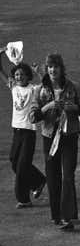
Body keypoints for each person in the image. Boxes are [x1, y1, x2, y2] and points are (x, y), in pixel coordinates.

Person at [31, 54, 80, 230]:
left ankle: (66, 216)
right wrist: (48, 107)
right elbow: (33, 117)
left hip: (69, 135)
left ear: (62, 69)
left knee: (68, 175)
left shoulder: (73, 87)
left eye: (56, 67)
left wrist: (75, 108)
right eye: (50, 67)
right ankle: (56, 214)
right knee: (53, 177)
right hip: (49, 137)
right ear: (47, 70)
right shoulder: (39, 90)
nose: (53, 70)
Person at [0, 55, 46, 209]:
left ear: (28, 76)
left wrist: (39, 72)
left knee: (21, 167)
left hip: (29, 132)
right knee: (14, 162)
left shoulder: (33, 89)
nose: (19, 77)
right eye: (17, 74)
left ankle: (24, 199)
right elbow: (1, 71)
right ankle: (38, 181)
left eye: (22, 74)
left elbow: (47, 85)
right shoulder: (13, 87)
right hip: (17, 131)